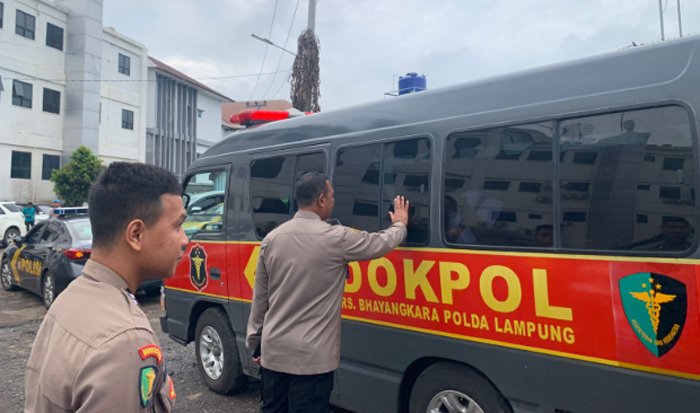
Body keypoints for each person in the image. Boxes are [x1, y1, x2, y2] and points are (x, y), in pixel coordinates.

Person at [24, 162, 187, 412]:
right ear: (136, 234)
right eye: (177, 225)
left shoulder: (71, 297)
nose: (185, 239)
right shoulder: (124, 339)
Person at [246, 172, 409, 413]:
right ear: (321, 200)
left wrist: (256, 343)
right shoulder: (336, 237)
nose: (334, 200)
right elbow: (379, 243)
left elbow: (260, 298)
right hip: (311, 361)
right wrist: (400, 224)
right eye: (332, 195)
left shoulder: (272, 239)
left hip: (274, 353)